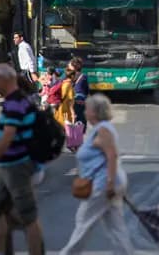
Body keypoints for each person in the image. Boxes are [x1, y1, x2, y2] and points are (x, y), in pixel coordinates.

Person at [0, 64, 44, 255]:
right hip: (10, 165)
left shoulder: (14, 103)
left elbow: (8, 135)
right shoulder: (19, 100)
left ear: (3, 80)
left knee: (28, 216)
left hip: (17, 165)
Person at [60, 94, 133, 255]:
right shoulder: (101, 129)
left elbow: (112, 155)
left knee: (83, 222)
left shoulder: (103, 129)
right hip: (108, 182)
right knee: (116, 227)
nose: (85, 112)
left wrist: (109, 183)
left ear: (95, 112)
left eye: (87, 109)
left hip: (103, 183)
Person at [69, 57, 89, 132]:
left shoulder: (68, 76)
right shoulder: (83, 77)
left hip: (71, 100)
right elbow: (86, 91)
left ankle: (72, 136)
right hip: (80, 100)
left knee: (72, 119)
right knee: (81, 121)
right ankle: (79, 137)